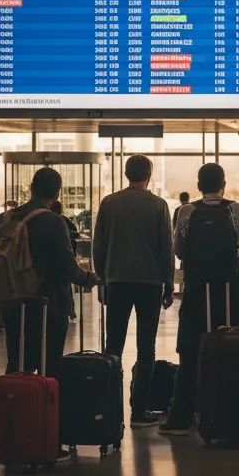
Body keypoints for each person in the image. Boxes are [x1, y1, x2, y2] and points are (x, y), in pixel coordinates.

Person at [160, 163, 239, 436]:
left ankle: (181, 416)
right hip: (229, 292)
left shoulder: (186, 212)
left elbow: (179, 251)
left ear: (199, 185)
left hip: (196, 291)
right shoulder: (237, 211)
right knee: (234, 348)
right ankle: (235, 415)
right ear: (224, 184)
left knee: (190, 351)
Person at [93, 155, 174, 430]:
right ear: (149, 174)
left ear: (125, 173)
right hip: (150, 283)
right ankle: (139, 411)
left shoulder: (109, 203)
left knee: (113, 345)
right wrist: (169, 284)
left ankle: (108, 407)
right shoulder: (158, 206)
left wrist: (102, 279)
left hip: (117, 281)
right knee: (146, 346)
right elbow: (166, 248)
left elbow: (99, 246)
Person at [1, 167, 98, 379]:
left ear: (31, 188)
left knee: (17, 365)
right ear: (57, 194)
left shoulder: (7, 218)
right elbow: (68, 267)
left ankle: (13, 409)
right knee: (50, 369)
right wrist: (89, 278)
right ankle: (45, 411)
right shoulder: (54, 222)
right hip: (48, 304)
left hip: (14, 302)